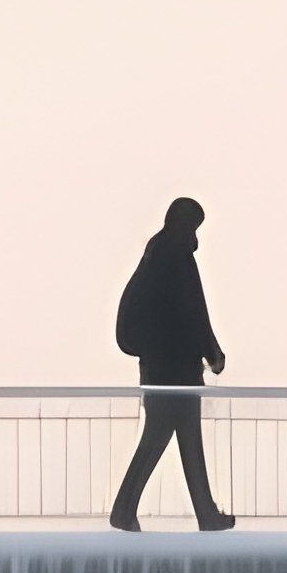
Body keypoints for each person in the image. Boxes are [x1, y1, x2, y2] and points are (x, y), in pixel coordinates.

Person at [108, 198, 234, 533]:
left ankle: (205, 514)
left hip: (161, 370)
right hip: (176, 372)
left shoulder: (158, 254)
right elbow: (195, 313)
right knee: (163, 439)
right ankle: (126, 510)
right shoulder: (176, 257)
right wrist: (214, 354)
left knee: (183, 439)